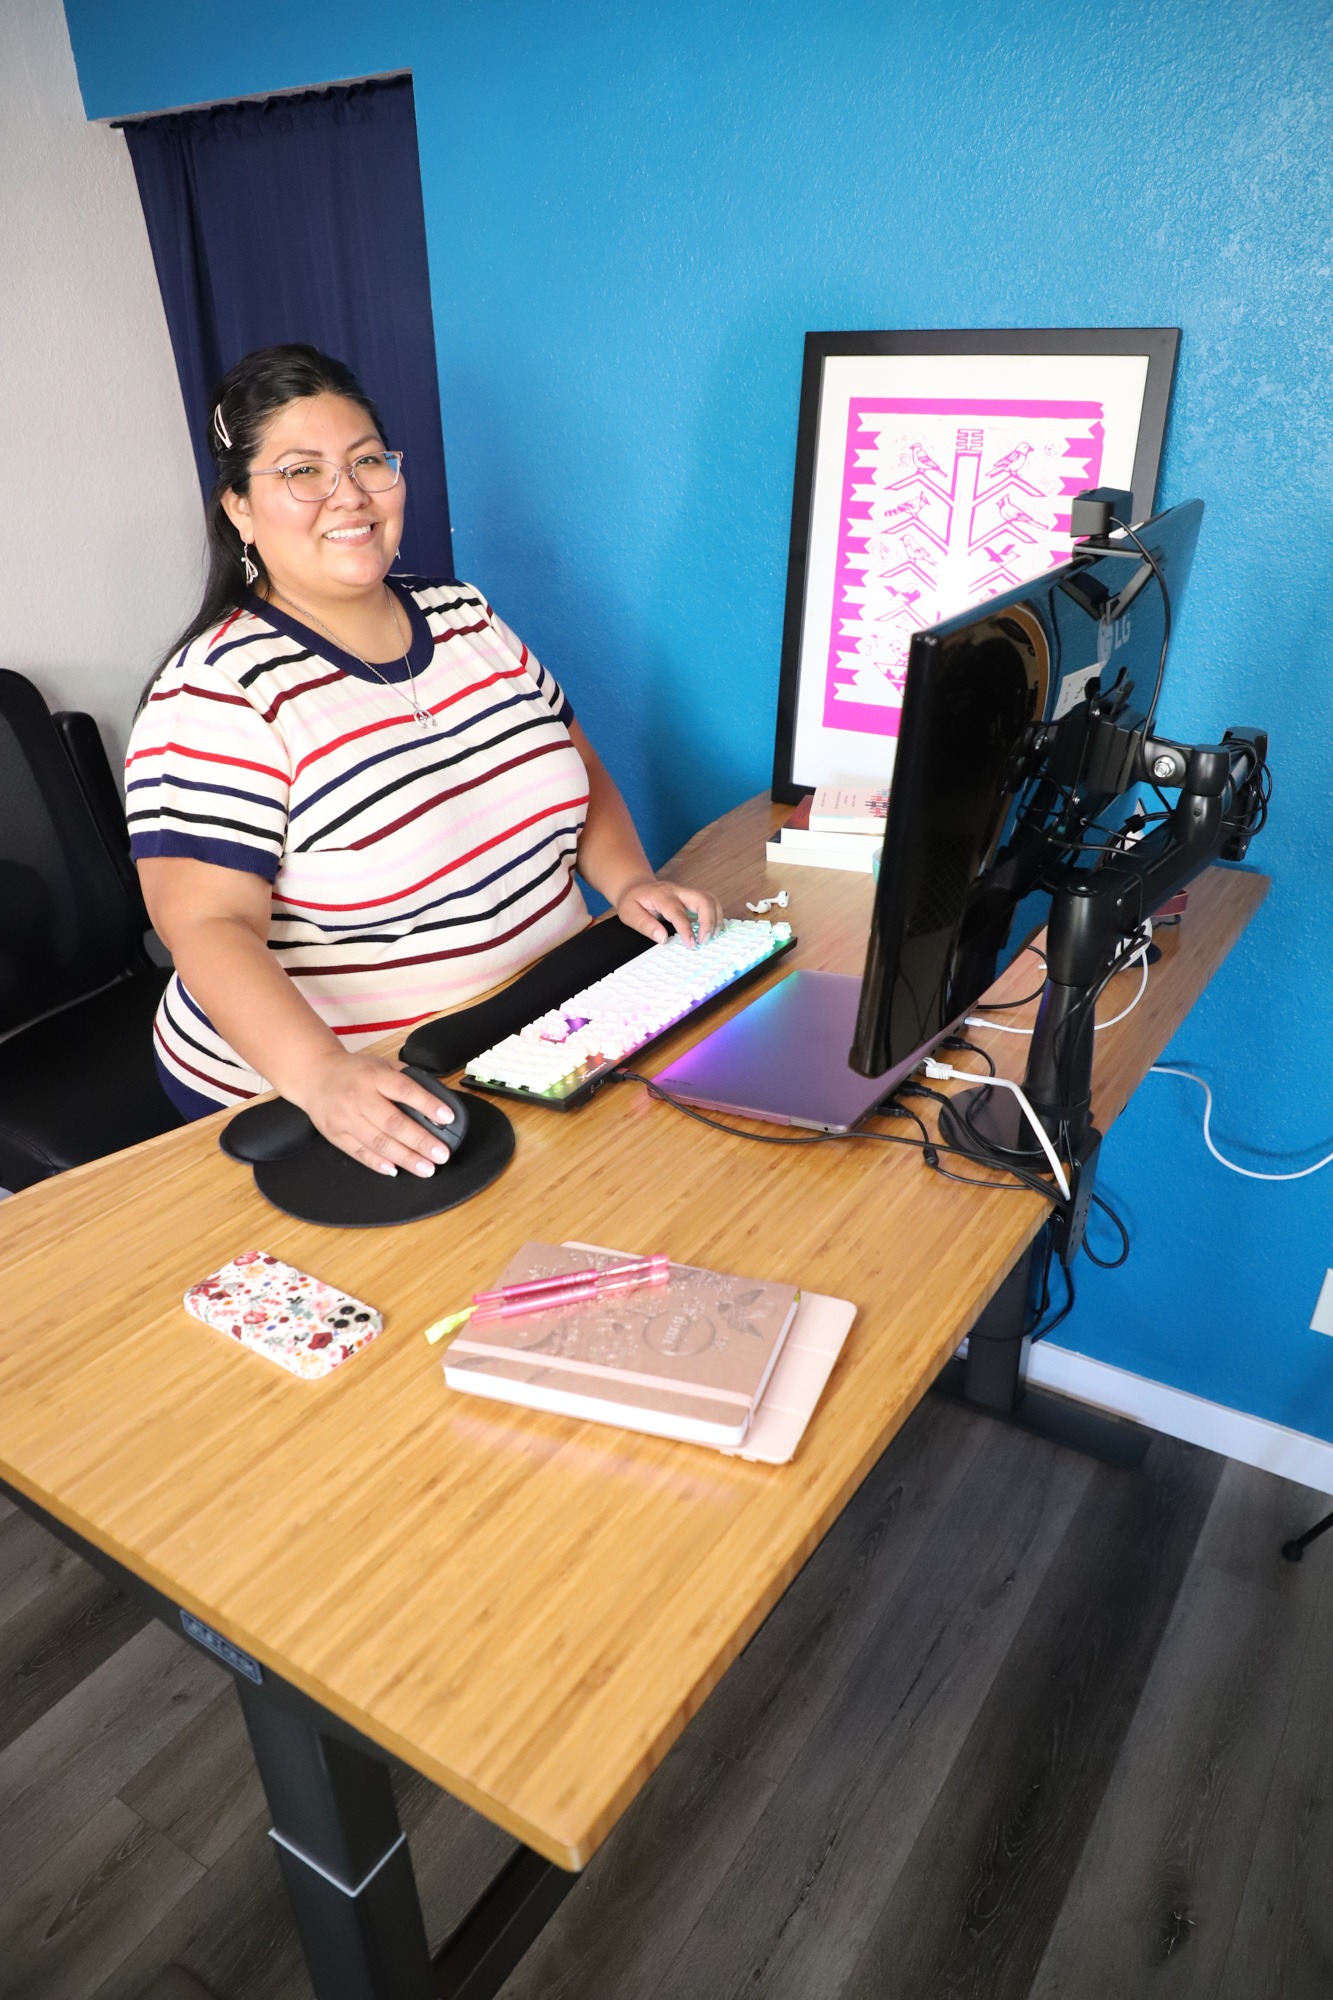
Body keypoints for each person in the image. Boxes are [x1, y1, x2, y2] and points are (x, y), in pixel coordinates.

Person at [127, 344, 722, 1180]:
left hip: (529, 1031)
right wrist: (322, 1078)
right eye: (304, 472)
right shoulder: (216, 694)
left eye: (368, 460)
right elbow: (205, 925)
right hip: (340, 1094)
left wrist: (629, 883)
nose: (351, 495)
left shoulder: (464, 613)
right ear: (240, 508)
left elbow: (572, 763)